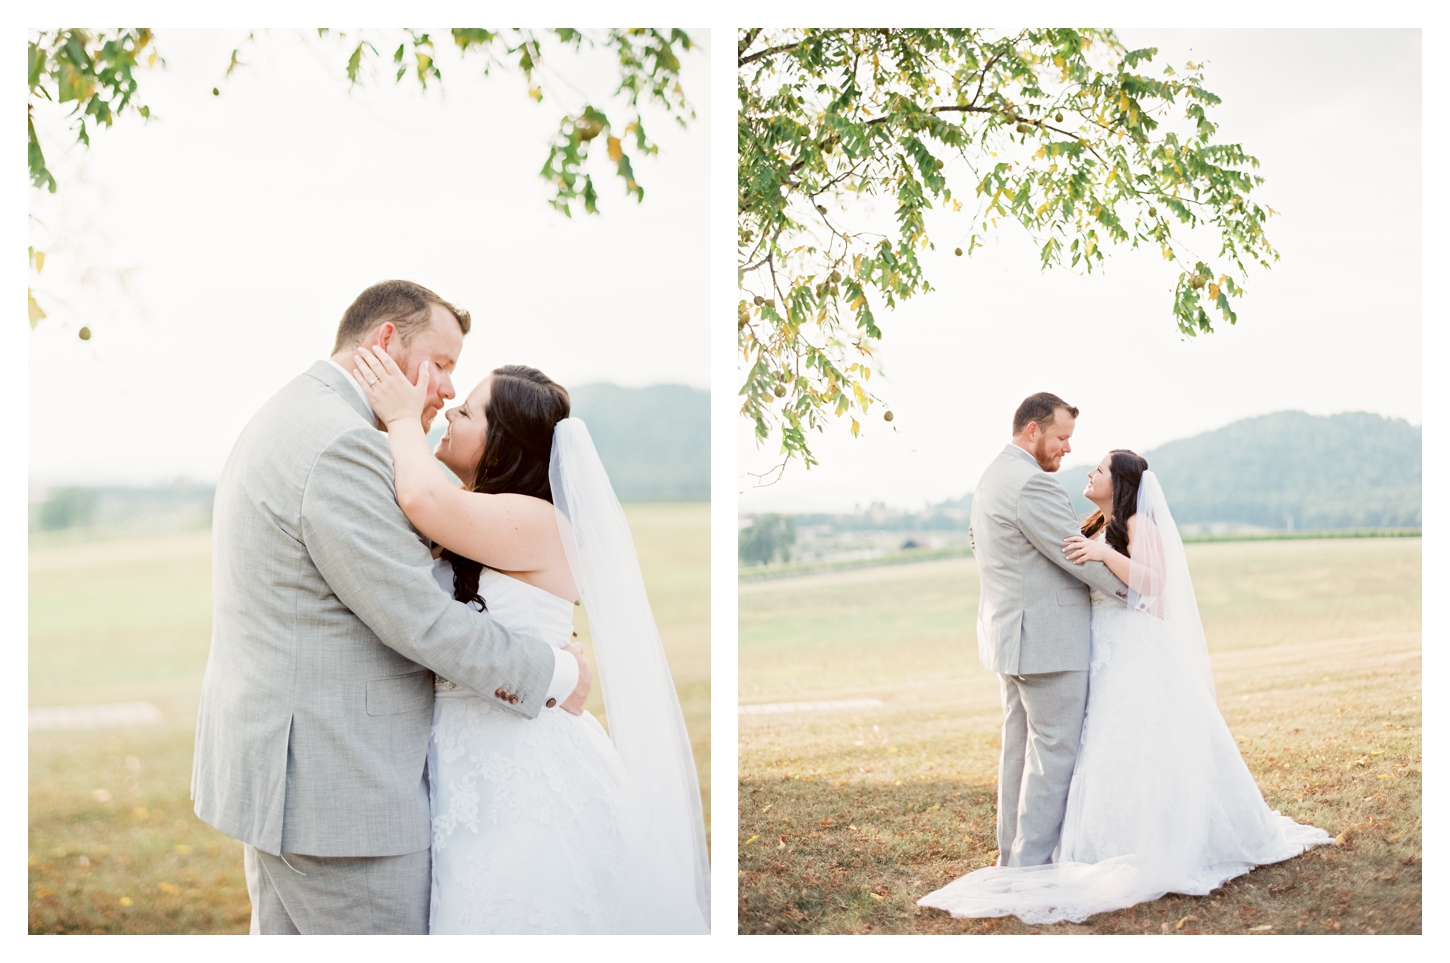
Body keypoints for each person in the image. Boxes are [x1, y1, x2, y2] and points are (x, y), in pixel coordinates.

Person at [192, 280, 592, 934]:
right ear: (384, 343)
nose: (443, 391)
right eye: (441, 366)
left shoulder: (291, 414)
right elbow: (422, 619)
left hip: (291, 782)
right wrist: (558, 673)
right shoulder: (342, 442)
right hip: (342, 800)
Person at [351, 346, 710, 933]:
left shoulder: (538, 521)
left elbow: (422, 498)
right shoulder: (480, 515)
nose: (447, 415)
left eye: (465, 413)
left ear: (504, 443)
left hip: (522, 768)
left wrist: (396, 416)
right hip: (465, 761)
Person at [919, 449, 1331, 924]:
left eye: (1100, 469)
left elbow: (1154, 583)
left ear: (1119, 484)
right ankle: (1094, 841)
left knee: (1139, 737)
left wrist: (1104, 553)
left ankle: (1154, 838)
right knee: (1101, 744)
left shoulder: (1136, 524)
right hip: (1098, 645)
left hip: (1133, 646)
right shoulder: (1092, 520)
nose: (1090, 472)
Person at [961, 393, 1130, 869]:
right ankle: (1029, 870)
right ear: (1032, 431)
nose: (1067, 450)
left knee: (1019, 751)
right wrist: (1134, 596)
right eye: (1061, 438)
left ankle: (1010, 859)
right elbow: (1075, 555)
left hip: (1010, 639)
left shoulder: (993, 476)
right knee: (1053, 754)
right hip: (1047, 642)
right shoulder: (1033, 486)